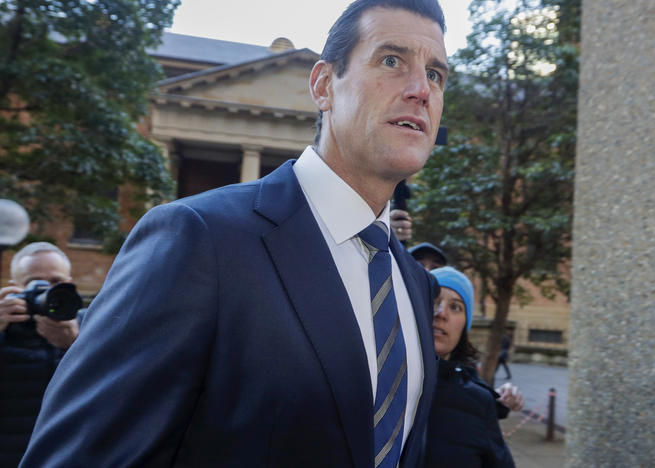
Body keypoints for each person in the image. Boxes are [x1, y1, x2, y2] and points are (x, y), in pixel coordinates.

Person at [20, 1, 448, 467]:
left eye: (436, 74)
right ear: (324, 84)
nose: (420, 89)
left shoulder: (416, 283)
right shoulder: (196, 239)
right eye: (391, 60)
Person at [424, 266, 522, 468]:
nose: (441, 313)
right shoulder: (379, 382)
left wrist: (494, 402)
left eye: (455, 307)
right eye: (434, 301)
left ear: (465, 325)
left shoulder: (477, 402)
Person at [0, 242, 81, 466]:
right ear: (14, 288)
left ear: (70, 284)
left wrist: (76, 344)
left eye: (56, 282)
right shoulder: (5, 329)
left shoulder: (92, 328)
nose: (46, 291)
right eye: (33, 283)